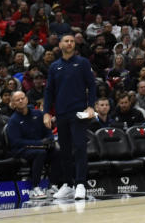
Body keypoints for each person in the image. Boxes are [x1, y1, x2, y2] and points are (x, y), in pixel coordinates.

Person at [44, 34, 97, 201]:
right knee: (64, 150)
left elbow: (92, 85)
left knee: (80, 146)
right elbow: (49, 91)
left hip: (78, 113)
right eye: (66, 41)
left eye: (72, 41)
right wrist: (46, 112)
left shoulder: (82, 63)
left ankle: (80, 184)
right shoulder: (54, 66)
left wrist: (91, 106)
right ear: (60, 44)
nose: (69, 43)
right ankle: (67, 184)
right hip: (61, 113)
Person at [6, 90, 59, 202]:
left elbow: (48, 131)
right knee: (40, 153)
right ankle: (35, 187)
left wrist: (50, 140)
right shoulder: (13, 121)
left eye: (22, 98)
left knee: (56, 151)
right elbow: (16, 142)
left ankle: (52, 185)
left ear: (27, 99)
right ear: (13, 104)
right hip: (21, 150)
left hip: (40, 147)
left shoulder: (38, 114)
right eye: (17, 100)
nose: (21, 101)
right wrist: (40, 143)